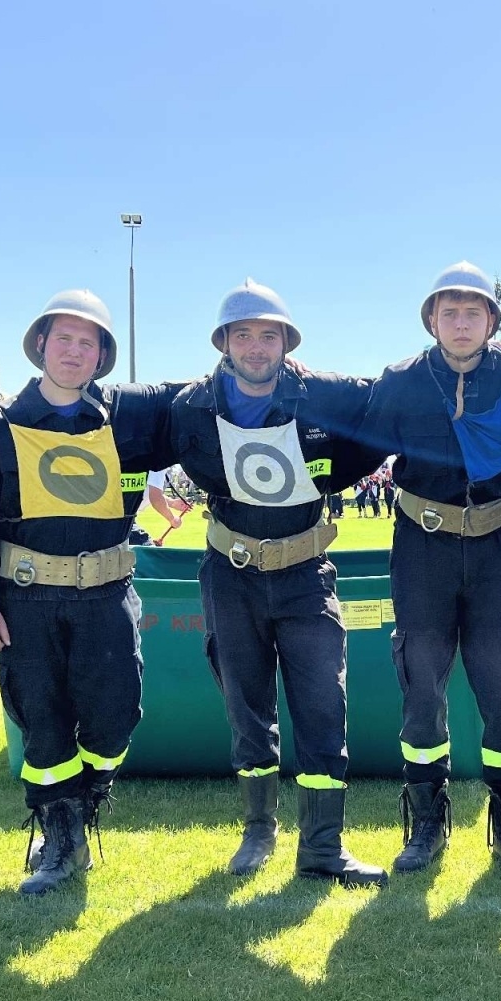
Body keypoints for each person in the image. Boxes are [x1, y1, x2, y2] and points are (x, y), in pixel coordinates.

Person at [0, 291, 177, 896]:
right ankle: (60, 835)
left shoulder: (127, 422)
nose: (74, 351)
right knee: (41, 718)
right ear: (41, 344)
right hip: (26, 600)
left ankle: (90, 798)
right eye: (63, 339)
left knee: (115, 715)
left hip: (106, 596)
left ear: (102, 355)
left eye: (87, 342)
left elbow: (198, 402)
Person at [169, 279, 387, 887]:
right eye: (244, 335)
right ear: (224, 343)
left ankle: (322, 845)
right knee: (246, 704)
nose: (257, 346)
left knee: (322, 704)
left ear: (287, 343)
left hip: (304, 574)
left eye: (269, 335)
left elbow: (387, 398)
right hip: (230, 576)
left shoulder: (323, 396)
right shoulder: (192, 406)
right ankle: (258, 832)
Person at [362, 261, 501, 881]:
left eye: (474, 312)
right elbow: (355, 439)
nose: (461, 323)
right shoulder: (402, 381)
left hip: (497, 547)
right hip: (423, 548)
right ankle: (427, 824)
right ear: (431, 320)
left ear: (492, 320)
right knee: (420, 684)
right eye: (449, 312)